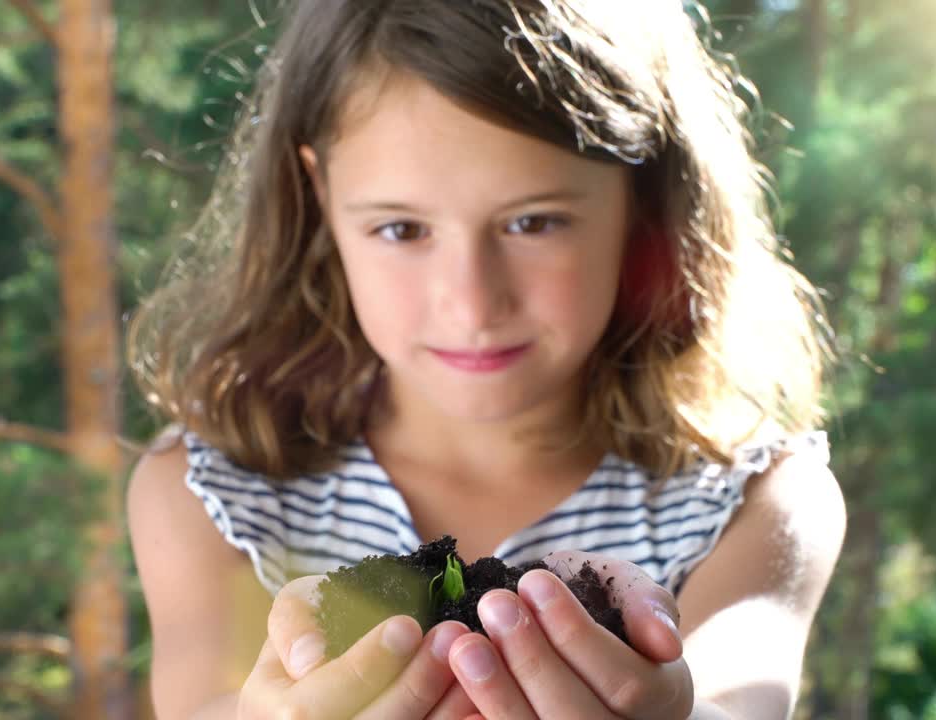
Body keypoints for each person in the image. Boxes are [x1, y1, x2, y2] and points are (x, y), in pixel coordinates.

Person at [126, 1, 847, 718]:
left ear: (643, 198)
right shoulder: (211, 498)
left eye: (534, 222)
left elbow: (737, 699)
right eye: (402, 228)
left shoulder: (755, 501)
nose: (471, 304)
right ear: (320, 191)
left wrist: (674, 710)